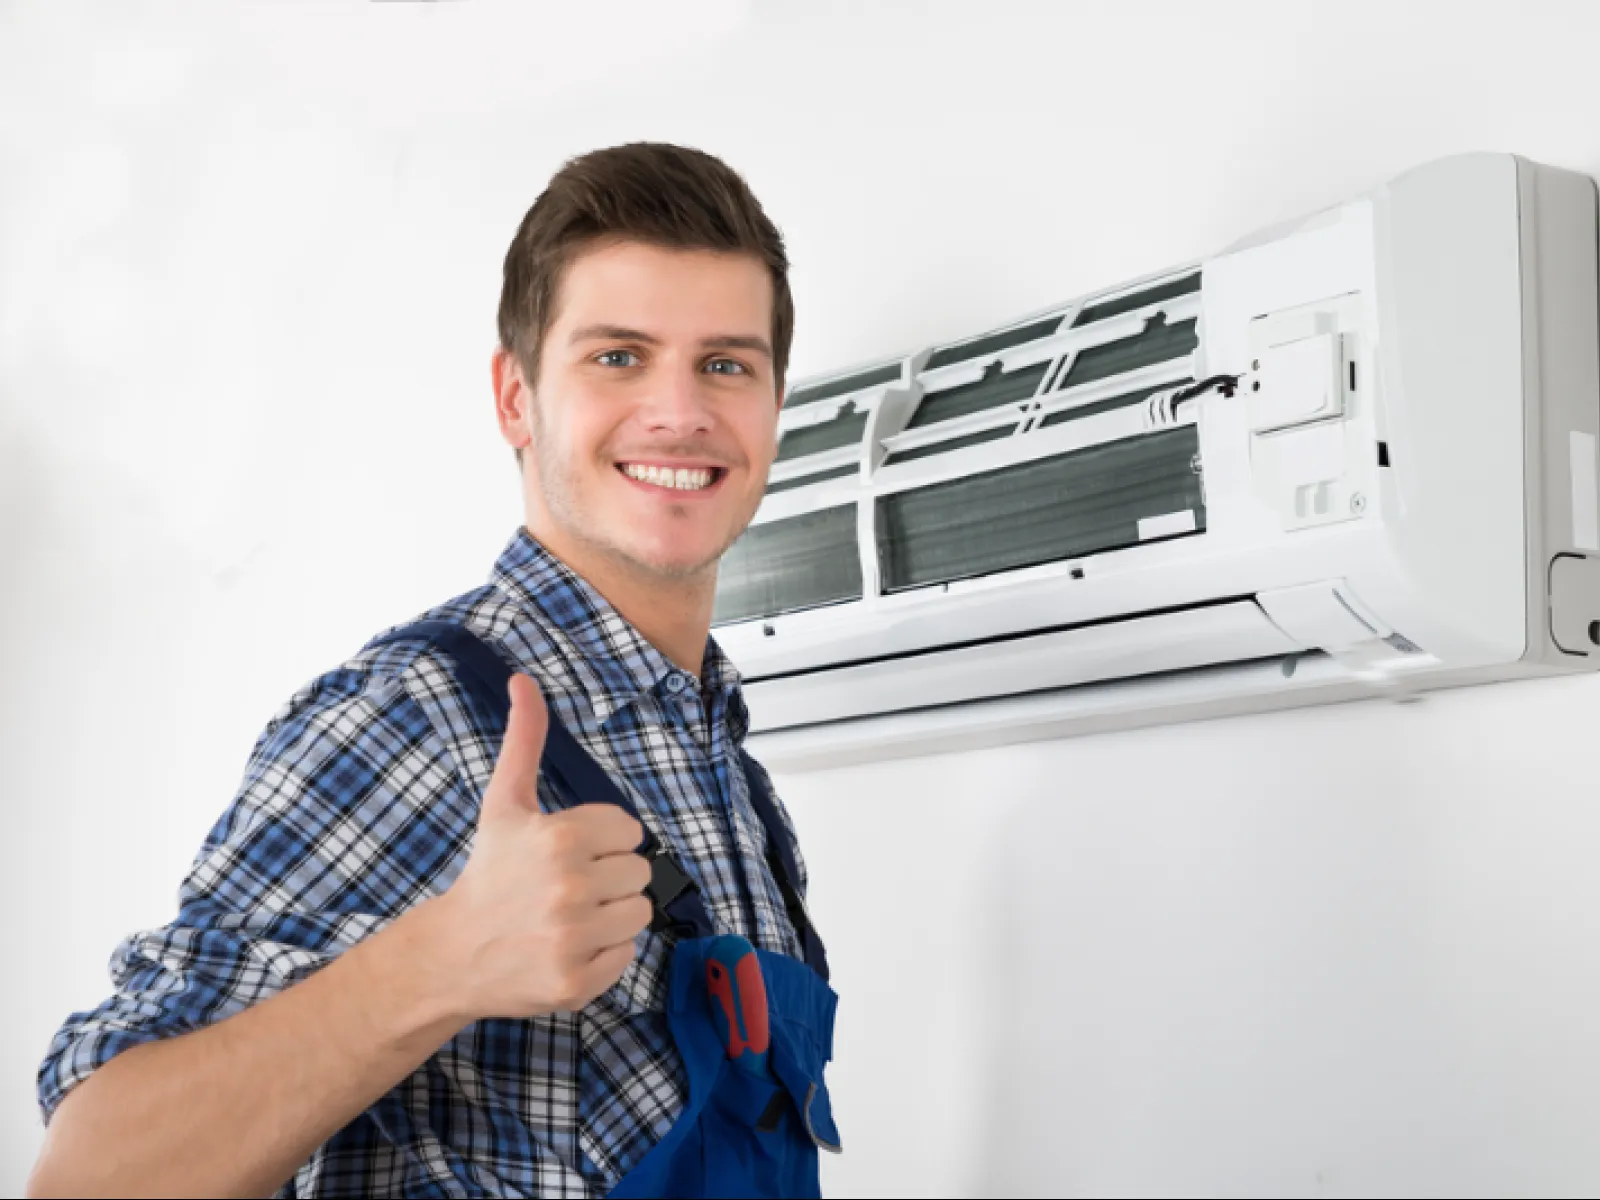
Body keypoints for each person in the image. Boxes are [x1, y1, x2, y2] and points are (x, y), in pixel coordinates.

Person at [27, 142, 839, 1199]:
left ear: (773, 405)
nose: (679, 412)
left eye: (725, 364)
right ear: (515, 398)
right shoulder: (420, 720)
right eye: (617, 357)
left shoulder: (722, 757)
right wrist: (438, 962)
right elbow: (88, 1176)